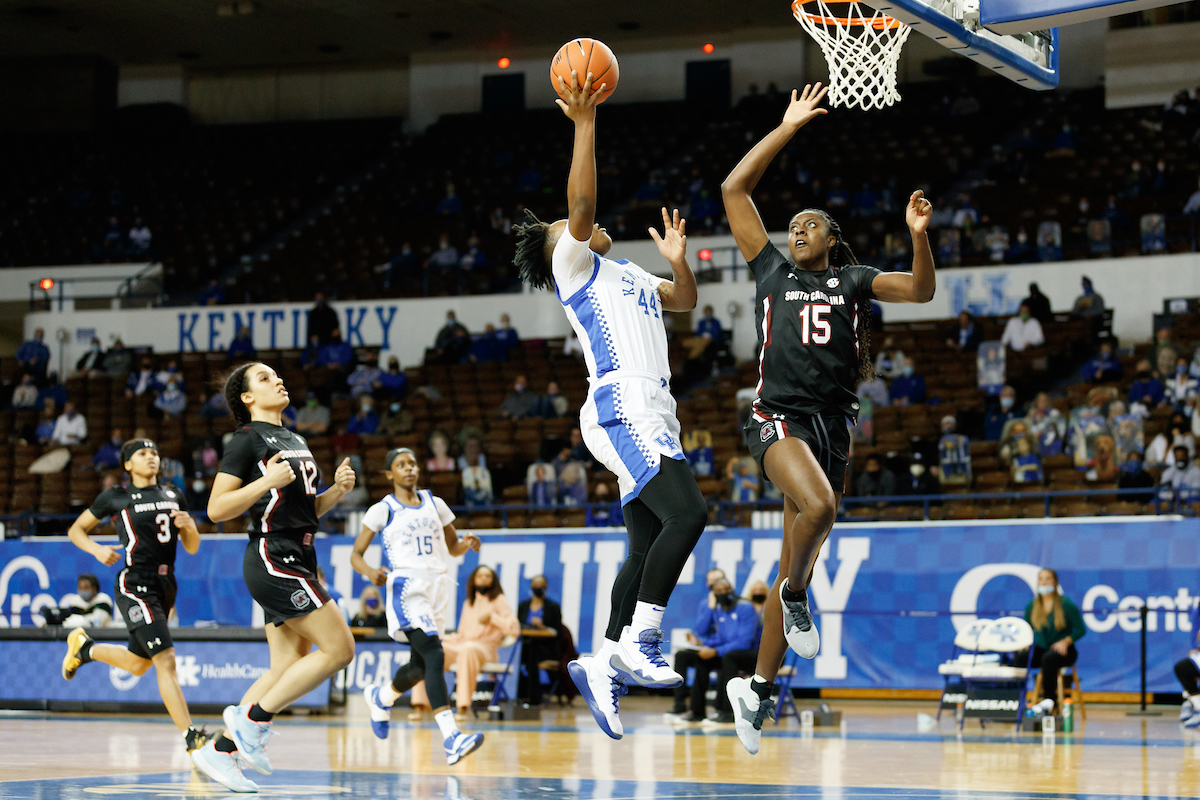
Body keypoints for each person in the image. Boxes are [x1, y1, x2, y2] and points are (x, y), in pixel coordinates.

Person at [720, 82, 937, 755]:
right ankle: (792, 593)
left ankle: (754, 691)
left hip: (831, 428)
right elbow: (734, 190)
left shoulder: (853, 281)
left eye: (811, 223)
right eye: (794, 224)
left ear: (832, 239)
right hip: (776, 416)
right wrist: (786, 128)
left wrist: (918, 238)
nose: (797, 229)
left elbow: (922, 290)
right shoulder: (770, 270)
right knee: (822, 510)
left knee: (800, 547)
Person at [512, 69, 707, 741]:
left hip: (654, 409)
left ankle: (602, 661)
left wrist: (680, 263)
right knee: (690, 513)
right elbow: (584, 209)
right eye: (562, 227)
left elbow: (683, 302)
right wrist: (586, 123)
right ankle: (640, 643)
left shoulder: (626, 274)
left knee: (647, 541)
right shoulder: (575, 267)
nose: (574, 227)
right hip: (623, 403)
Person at [193, 362, 357, 793]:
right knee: (340, 650)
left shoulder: (295, 438)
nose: (278, 380)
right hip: (273, 555)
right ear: (247, 398)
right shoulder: (246, 440)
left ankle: (220, 750)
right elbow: (215, 509)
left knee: (284, 667)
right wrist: (265, 481)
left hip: (299, 551)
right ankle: (252, 721)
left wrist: (335, 493)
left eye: (278, 375)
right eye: (264, 378)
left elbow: (303, 510)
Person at [61, 439, 209, 759]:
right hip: (135, 582)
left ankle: (85, 648)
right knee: (165, 659)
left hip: (166, 583)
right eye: (142, 454)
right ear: (128, 464)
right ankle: (191, 736)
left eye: (154, 452)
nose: (151, 457)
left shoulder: (173, 494)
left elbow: (192, 546)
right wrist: (97, 550)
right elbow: (76, 530)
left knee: (138, 664)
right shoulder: (116, 496)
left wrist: (191, 528)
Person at [353, 448, 485, 756]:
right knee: (435, 655)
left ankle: (381, 697)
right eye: (401, 465)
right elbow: (355, 554)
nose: (409, 468)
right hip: (407, 587)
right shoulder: (382, 509)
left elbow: (452, 547)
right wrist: (371, 571)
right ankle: (452, 737)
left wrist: (466, 543)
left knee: (419, 666)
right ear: (390, 474)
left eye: (412, 463)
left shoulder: (435, 503)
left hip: (438, 586)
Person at [415, 565, 518, 719]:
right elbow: (463, 634)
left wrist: (493, 618)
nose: (484, 578)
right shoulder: (469, 602)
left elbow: (514, 628)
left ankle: (463, 707)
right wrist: (443, 639)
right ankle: (420, 705)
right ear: (474, 580)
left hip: (485, 649)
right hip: (463, 645)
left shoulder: (499, 600)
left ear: (493, 581)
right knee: (429, 650)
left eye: (488, 576)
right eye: (480, 576)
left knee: (468, 649)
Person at [669, 577, 759, 724]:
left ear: (732, 590)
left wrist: (716, 651)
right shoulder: (718, 610)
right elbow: (720, 637)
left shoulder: (745, 607)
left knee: (728, 657)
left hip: (751, 653)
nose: (724, 593)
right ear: (713, 594)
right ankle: (696, 711)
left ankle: (725, 712)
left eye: (727, 589)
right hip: (729, 651)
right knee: (702, 658)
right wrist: (703, 644)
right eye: (719, 591)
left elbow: (745, 641)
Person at [1023, 568, 1086, 715]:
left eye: (1048, 578)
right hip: (1042, 648)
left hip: (1065, 650)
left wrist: (1066, 641)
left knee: (1049, 658)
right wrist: (1025, 645)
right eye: (1041, 579)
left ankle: (1049, 702)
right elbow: (1026, 629)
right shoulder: (1031, 606)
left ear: (1055, 582)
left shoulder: (1066, 604)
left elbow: (1080, 629)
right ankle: (1015, 699)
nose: (1044, 582)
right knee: (1021, 657)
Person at [517, 574, 564, 706]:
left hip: (546, 647)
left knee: (533, 650)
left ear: (546, 587)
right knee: (519, 653)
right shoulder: (524, 605)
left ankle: (534, 698)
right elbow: (518, 625)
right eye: (535, 585)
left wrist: (542, 627)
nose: (538, 588)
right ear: (531, 587)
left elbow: (558, 632)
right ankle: (517, 695)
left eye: (541, 585)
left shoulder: (553, 607)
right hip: (526, 645)